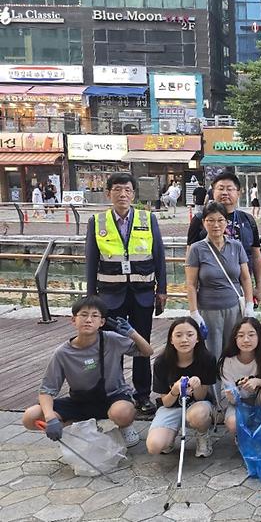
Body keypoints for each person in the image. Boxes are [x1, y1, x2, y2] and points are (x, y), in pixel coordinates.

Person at [21, 296, 153, 448]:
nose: (88, 320)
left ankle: (125, 428)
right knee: (30, 417)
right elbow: (46, 390)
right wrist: (50, 418)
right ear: (73, 320)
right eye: (83, 315)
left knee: (121, 412)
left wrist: (132, 333)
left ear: (102, 322)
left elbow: (147, 351)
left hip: (113, 397)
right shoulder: (63, 353)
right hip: (80, 401)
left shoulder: (111, 339)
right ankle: (82, 426)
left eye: (94, 316)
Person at [86, 172, 167, 415]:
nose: (123, 194)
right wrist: (91, 299)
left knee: (142, 345)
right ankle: (116, 392)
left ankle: (142, 394)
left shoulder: (148, 218)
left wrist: (162, 290)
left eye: (128, 190)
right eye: (118, 189)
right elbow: (91, 261)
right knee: (112, 346)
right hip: (109, 296)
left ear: (134, 193)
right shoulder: (98, 221)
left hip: (142, 293)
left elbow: (159, 256)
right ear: (108, 193)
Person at [186, 202, 255, 362]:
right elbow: (190, 284)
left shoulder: (236, 246)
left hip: (234, 309)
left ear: (226, 222)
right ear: (204, 222)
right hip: (209, 310)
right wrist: (194, 313)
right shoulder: (197, 249)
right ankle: (213, 387)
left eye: (220, 220)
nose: (215, 225)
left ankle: (235, 386)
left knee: (235, 351)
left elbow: (245, 277)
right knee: (212, 354)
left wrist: (250, 305)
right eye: (210, 220)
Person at [187, 172, 261, 308]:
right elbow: (190, 260)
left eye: (230, 189)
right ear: (213, 191)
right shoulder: (200, 220)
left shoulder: (248, 220)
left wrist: (258, 287)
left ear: (238, 193)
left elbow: (256, 256)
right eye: (220, 188)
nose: (225, 193)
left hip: (242, 289)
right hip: (210, 294)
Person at [145, 317, 217, 457]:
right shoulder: (161, 362)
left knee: (198, 415)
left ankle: (202, 435)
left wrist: (198, 384)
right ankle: (169, 437)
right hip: (171, 407)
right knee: (154, 447)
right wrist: (175, 390)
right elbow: (166, 402)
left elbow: (201, 397)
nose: (184, 340)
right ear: (171, 339)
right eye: (178, 335)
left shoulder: (207, 359)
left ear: (197, 338)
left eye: (190, 335)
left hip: (196, 406)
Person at [219, 317, 261, 435]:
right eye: (241, 335)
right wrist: (233, 395)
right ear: (235, 338)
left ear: (259, 336)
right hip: (240, 402)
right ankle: (242, 437)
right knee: (233, 423)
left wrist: (258, 382)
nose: (246, 340)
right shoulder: (228, 361)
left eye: (251, 335)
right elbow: (232, 399)